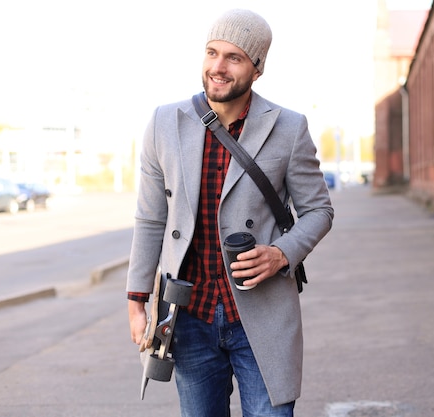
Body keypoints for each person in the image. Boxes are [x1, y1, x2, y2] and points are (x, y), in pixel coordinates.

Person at [126, 8, 334, 417]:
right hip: (189, 315)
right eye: (211, 53)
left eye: (234, 58)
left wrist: (282, 253)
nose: (217, 67)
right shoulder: (163, 123)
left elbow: (319, 210)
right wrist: (136, 300)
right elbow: (151, 218)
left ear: (257, 70)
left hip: (263, 313)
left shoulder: (288, 128)